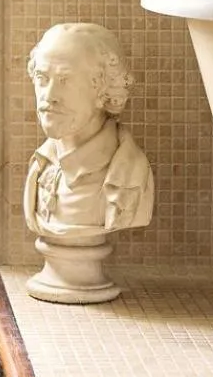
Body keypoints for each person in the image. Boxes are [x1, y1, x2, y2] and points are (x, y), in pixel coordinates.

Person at [24, 23, 154, 243]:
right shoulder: (40, 165)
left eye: (65, 80)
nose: (49, 95)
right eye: (42, 78)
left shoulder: (129, 177)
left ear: (103, 89)